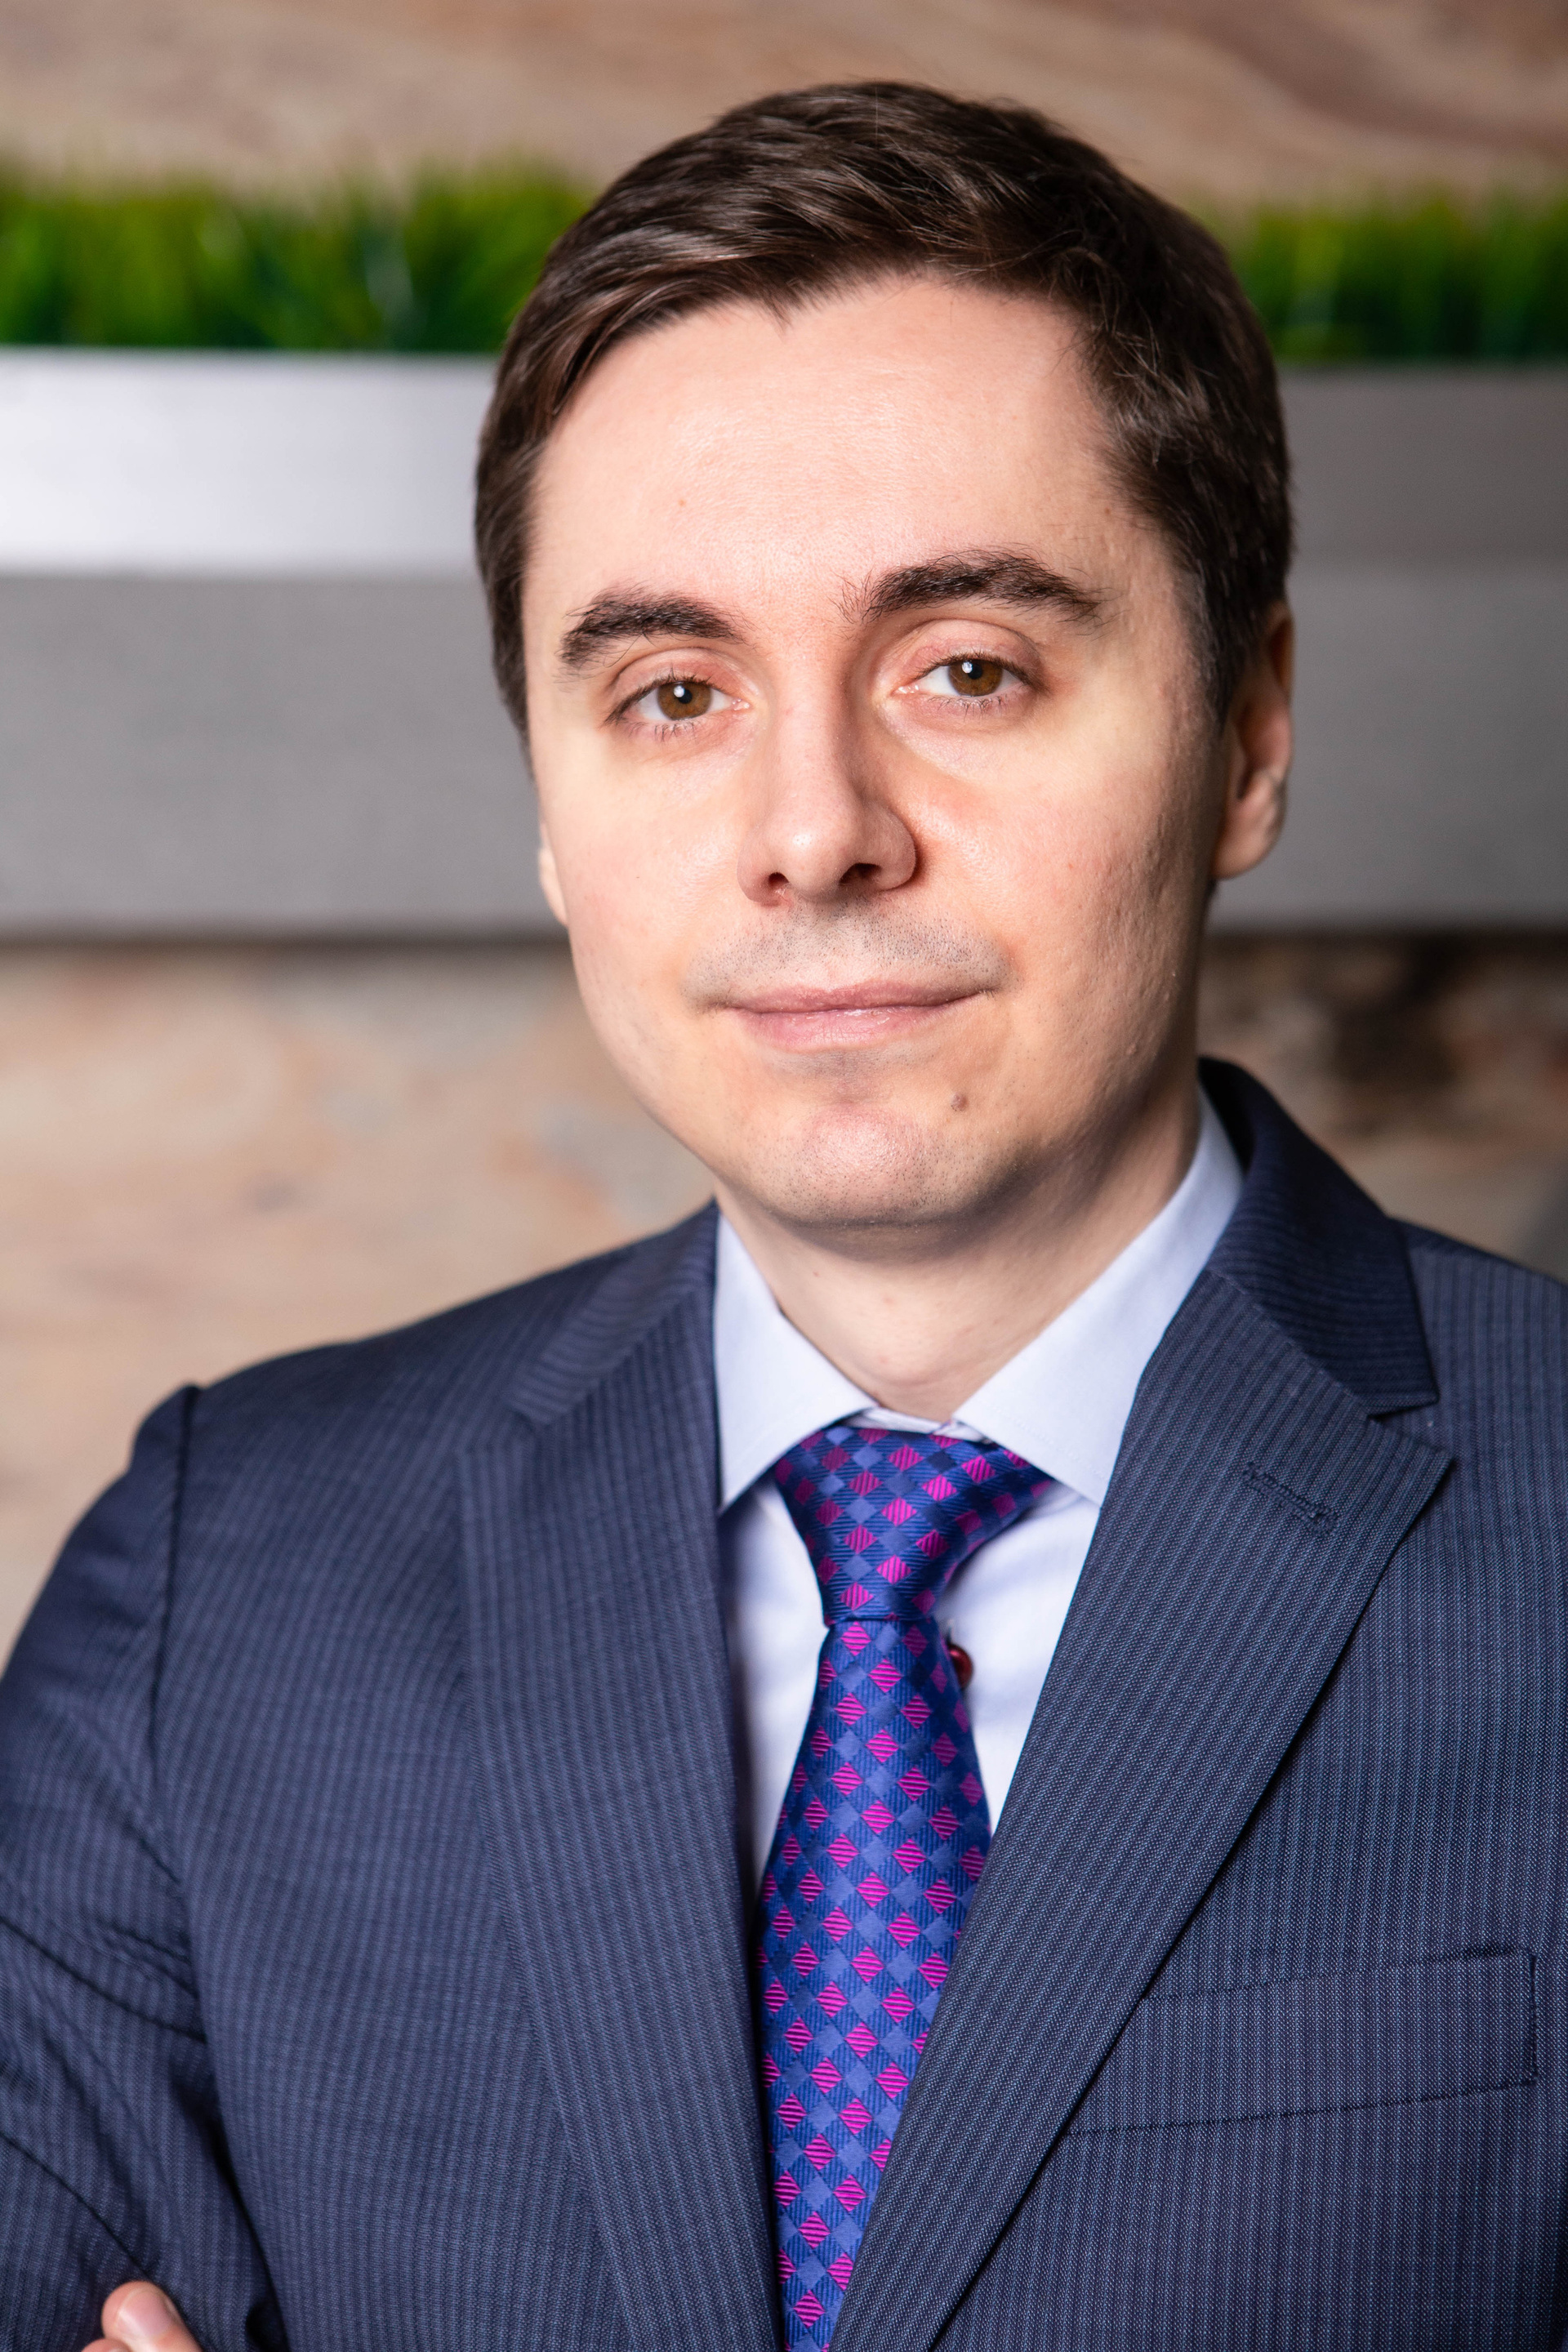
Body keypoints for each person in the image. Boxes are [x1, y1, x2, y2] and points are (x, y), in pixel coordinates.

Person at [4, 78, 1563, 2352]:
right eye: (673, 693)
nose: (813, 829)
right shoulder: (213, 1584)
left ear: (1247, 733)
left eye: (968, 667)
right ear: (550, 810)